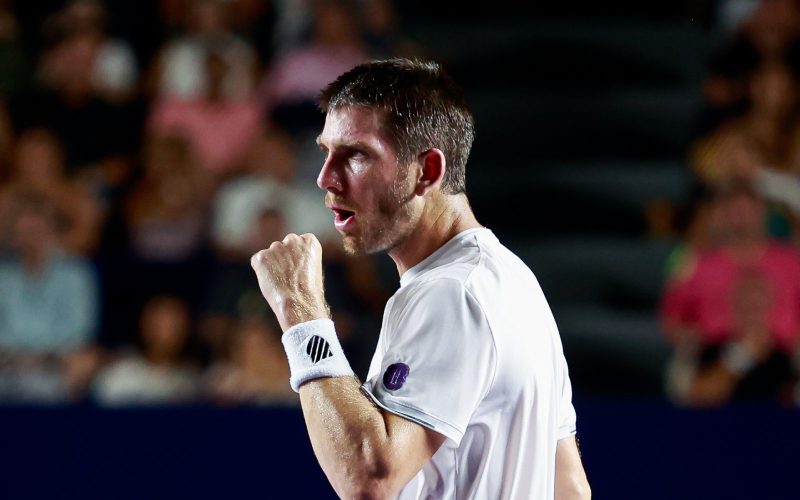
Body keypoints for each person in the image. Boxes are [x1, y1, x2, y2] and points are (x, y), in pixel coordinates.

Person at [250, 59, 590, 499]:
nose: (325, 178)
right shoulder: (514, 280)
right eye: (325, 152)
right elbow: (570, 487)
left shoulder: (450, 293)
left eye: (356, 155)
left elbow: (368, 479)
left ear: (427, 171)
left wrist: (300, 309)